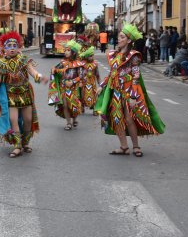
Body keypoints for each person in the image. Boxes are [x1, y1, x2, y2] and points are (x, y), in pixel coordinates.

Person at [95, 24, 165, 157]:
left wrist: (133, 96)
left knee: (129, 118)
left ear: (128, 40)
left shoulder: (134, 56)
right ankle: (124, 147)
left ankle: (136, 146)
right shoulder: (113, 55)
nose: (118, 39)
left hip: (128, 91)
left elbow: (136, 76)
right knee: (117, 119)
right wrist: (102, 86)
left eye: (122, 37)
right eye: (119, 36)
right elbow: (112, 74)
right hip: (115, 91)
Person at [0, 31, 47, 158]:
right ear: (4, 49)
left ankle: (25, 143)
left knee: (28, 120)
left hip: (25, 93)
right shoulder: (1, 64)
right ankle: (17, 146)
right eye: (8, 46)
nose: (12, 48)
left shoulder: (23, 60)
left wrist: (40, 77)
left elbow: (33, 72)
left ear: (18, 48)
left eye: (14, 46)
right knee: (13, 120)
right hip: (11, 95)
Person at [48, 39, 85, 131]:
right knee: (65, 105)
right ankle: (68, 123)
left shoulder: (79, 64)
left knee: (74, 105)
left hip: (74, 88)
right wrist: (53, 70)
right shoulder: (62, 63)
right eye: (65, 50)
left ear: (73, 52)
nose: (66, 52)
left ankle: (75, 119)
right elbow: (55, 69)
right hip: (63, 87)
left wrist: (73, 81)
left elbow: (81, 75)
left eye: (68, 50)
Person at [79, 45, 101, 114]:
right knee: (82, 96)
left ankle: (95, 109)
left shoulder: (95, 64)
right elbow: (80, 74)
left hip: (92, 84)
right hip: (84, 84)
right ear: (86, 57)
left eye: (92, 55)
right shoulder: (82, 64)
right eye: (90, 56)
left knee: (94, 96)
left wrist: (100, 84)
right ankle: (82, 107)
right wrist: (80, 81)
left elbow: (97, 75)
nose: (91, 57)